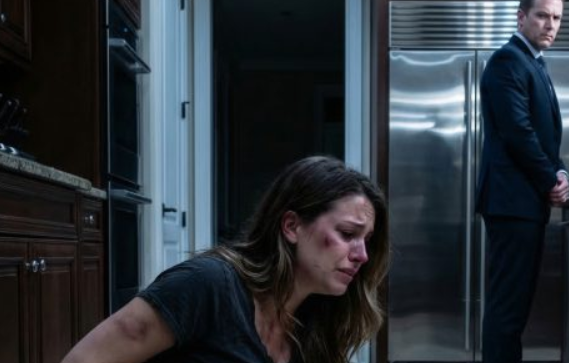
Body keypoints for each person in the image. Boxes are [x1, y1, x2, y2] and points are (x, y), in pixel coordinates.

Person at [61, 155, 390, 363]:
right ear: (292, 226)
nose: (362, 255)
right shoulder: (208, 285)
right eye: (348, 233)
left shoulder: (316, 325)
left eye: (367, 240)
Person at [476, 0, 569, 363]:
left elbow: (544, 136)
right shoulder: (508, 61)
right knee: (507, 309)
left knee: (514, 308)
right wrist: (550, 180)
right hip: (512, 202)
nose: (551, 25)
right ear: (521, 17)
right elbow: (518, 132)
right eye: (542, 15)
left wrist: (560, 171)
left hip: (522, 203)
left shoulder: (534, 63)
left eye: (557, 18)